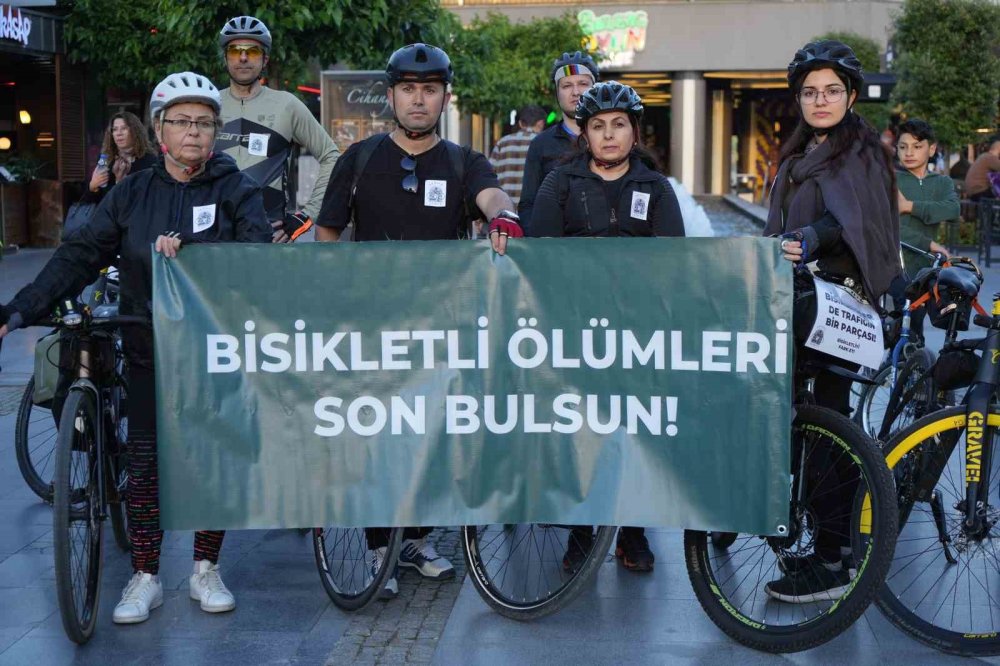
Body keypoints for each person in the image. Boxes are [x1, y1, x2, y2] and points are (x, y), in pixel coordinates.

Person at [0, 72, 272, 625]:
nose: (193, 133)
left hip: (209, 349)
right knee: (144, 462)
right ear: (160, 129)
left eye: (204, 123)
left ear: (215, 132)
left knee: (208, 459)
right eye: (182, 122)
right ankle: (145, 574)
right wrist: (20, 308)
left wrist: (194, 251)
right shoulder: (133, 191)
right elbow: (81, 254)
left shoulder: (233, 186)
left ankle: (205, 567)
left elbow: (256, 251)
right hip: (145, 340)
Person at [315, 43, 521, 596]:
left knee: (430, 434)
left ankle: (417, 539)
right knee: (376, 437)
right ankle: (379, 544)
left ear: (444, 97)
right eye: (408, 88)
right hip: (370, 329)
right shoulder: (357, 159)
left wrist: (504, 215)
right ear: (391, 96)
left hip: (439, 327)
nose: (418, 99)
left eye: (430, 89)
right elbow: (328, 233)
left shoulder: (462, 160)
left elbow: (491, 195)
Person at [526, 81, 684, 572]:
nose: (609, 135)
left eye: (619, 125)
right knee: (582, 433)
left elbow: (676, 260)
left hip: (637, 333)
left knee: (633, 433)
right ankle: (581, 532)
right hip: (576, 331)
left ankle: (632, 531)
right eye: (598, 126)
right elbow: (539, 254)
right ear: (584, 133)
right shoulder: (561, 182)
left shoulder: (656, 188)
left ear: (635, 133)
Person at [762, 40, 899, 603]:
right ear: (799, 99)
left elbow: (853, 222)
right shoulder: (799, 155)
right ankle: (827, 546)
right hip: (802, 310)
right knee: (809, 426)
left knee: (828, 431)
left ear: (849, 95)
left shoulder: (860, 154)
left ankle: (836, 558)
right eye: (810, 92)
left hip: (843, 311)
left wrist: (812, 237)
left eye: (832, 91)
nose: (820, 100)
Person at [216, 15, 340, 242]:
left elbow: (331, 156)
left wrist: (308, 214)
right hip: (214, 235)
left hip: (270, 235)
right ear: (225, 58)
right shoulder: (209, 104)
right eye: (235, 50)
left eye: (252, 51)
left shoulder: (287, 105)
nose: (243, 58)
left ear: (265, 60)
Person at [890, 118, 960, 338]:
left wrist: (909, 206)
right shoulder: (890, 180)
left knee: (924, 328)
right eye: (903, 147)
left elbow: (952, 210)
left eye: (917, 146)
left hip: (926, 268)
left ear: (931, 149)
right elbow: (890, 226)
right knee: (904, 326)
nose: (909, 152)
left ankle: (914, 366)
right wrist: (928, 243)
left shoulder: (941, 183)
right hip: (893, 266)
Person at [518, 51, 600, 228]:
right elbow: (527, 205)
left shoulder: (612, 141)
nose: (576, 92)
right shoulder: (541, 144)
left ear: (595, 88)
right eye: (567, 86)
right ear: (557, 92)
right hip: (555, 248)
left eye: (583, 84)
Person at [82, 111, 156, 204]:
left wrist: (120, 182)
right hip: (108, 216)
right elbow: (92, 200)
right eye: (115, 129)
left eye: (124, 128)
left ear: (135, 131)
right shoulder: (105, 159)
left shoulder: (149, 161)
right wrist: (93, 186)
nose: (118, 133)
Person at [488, 104, 546, 207]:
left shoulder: (502, 143)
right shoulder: (543, 144)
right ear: (540, 124)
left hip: (503, 210)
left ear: (520, 123)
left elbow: (488, 175)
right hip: (531, 211)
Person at [965, 136, 1000, 201]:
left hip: (973, 192)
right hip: (979, 191)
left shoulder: (984, 156)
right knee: (996, 200)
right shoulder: (990, 157)